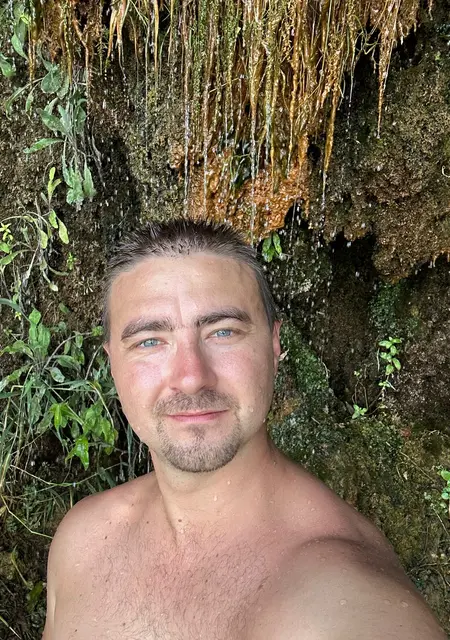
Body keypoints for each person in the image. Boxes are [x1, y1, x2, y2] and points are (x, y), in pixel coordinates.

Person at [42, 219, 446, 640]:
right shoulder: (82, 543)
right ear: (112, 363)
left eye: (223, 332)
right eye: (149, 341)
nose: (191, 377)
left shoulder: (345, 598)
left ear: (274, 346)